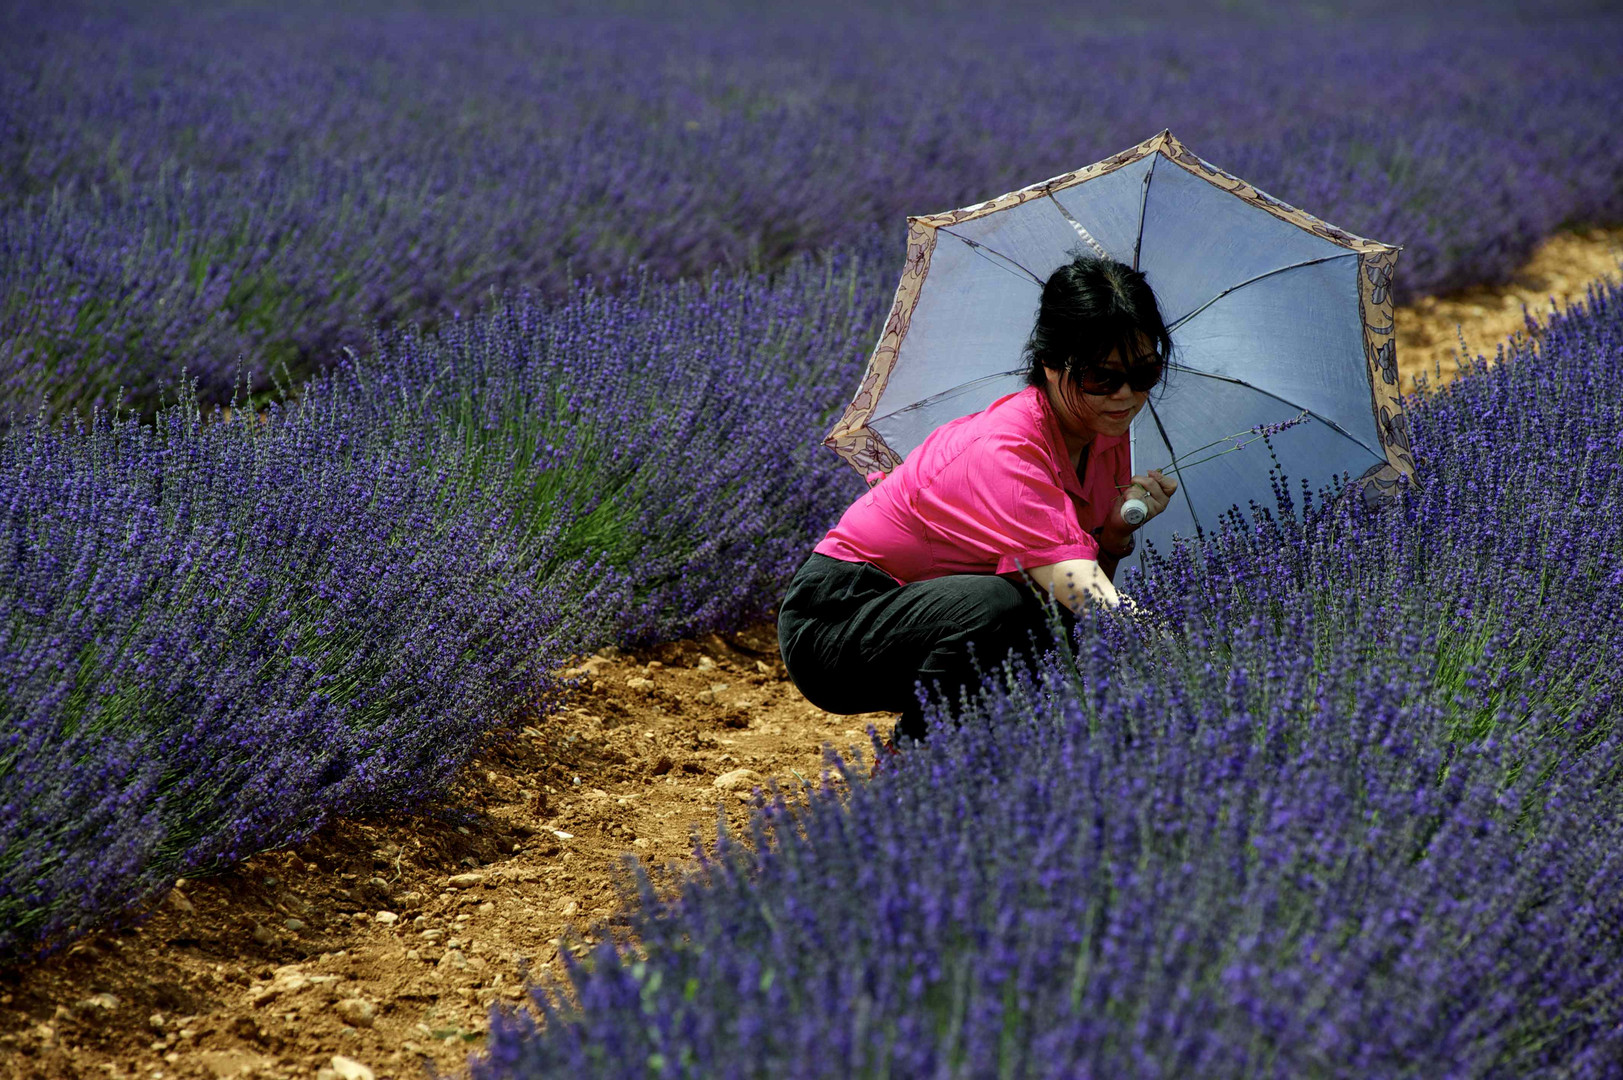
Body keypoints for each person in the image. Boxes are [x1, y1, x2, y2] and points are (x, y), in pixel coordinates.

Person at [776, 254, 1179, 745]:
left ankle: (988, 765)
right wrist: (1175, 652)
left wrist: (1112, 535)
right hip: (835, 623)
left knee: (1044, 623)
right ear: (1052, 364)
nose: (1126, 396)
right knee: (1002, 608)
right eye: (1102, 377)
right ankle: (917, 766)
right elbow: (1080, 592)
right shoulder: (1007, 450)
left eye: (1145, 373)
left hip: (926, 609)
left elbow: (1074, 602)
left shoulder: (1104, 434)